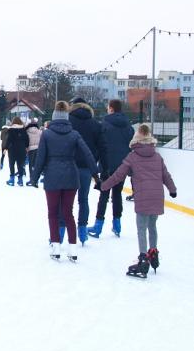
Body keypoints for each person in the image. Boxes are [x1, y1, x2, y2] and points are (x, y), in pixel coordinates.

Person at [102, 124, 177, 278]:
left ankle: (143, 258)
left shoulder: (133, 156)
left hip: (142, 197)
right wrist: (172, 189)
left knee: (141, 228)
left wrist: (104, 186)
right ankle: (153, 252)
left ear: (136, 139)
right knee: (152, 226)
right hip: (157, 197)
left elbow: (118, 176)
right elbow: (166, 175)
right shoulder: (157, 157)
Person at [30, 101, 99, 263]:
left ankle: (56, 247)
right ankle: (73, 249)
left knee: (53, 213)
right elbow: (88, 155)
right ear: (67, 116)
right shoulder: (74, 134)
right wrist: (96, 175)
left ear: (54, 116)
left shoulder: (46, 134)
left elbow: (40, 158)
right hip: (71, 176)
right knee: (68, 212)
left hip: (52, 177)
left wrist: (34, 177)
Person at [90, 99, 134, 238]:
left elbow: (100, 146)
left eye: (108, 107)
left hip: (107, 165)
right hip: (122, 165)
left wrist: (95, 162)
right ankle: (117, 224)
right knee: (117, 194)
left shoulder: (104, 125)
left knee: (104, 194)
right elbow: (131, 146)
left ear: (111, 109)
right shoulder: (129, 127)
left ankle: (98, 226)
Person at [68, 97, 107, 244]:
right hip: (87, 167)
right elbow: (103, 147)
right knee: (83, 200)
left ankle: (60, 232)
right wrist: (103, 168)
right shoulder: (95, 124)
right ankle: (82, 232)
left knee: (66, 201)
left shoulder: (68, 121)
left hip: (69, 166)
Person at [3, 117, 29, 186]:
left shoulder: (11, 130)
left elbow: (8, 140)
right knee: (20, 165)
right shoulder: (23, 130)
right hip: (21, 150)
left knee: (12, 164)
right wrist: (26, 147)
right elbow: (27, 139)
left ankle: (12, 179)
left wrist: (5, 148)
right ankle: (20, 180)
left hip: (12, 150)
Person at [25, 118, 42, 185]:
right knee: (36, 165)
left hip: (30, 150)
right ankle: (36, 180)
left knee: (31, 165)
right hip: (38, 149)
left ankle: (32, 180)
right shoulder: (40, 131)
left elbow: (26, 141)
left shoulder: (27, 132)